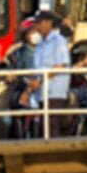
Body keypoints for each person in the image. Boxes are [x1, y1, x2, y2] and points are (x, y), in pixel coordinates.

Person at [26, 10, 73, 138]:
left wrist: (40, 81)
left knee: (51, 124)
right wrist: (30, 87)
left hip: (55, 91)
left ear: (49, 23)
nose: (37, 26)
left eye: (39, 23)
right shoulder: (40, 45)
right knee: (43, 126)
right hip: (41, 92)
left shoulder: (59, 41)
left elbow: (61, 65)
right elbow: (36, 69)